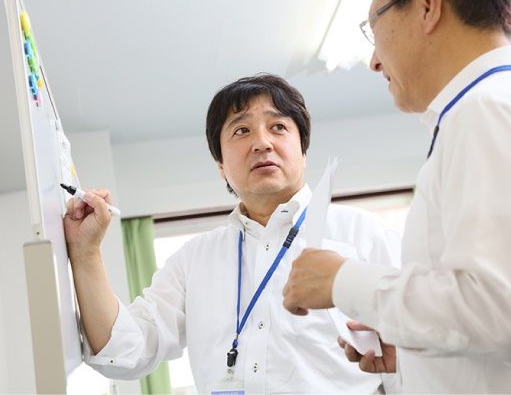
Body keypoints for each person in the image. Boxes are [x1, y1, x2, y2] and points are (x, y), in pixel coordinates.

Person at [282, 0, 511, 393]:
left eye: (374, 26)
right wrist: (419, 356)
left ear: (427, 4)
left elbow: (506, 314)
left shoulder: (489, 110)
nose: (374, 61)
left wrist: (342, 280)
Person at [64, 74, 401, 393]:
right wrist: (86, 253)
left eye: (278, 127)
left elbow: (410, 364)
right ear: (221, 167)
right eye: (241, 130)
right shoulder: (193, 260)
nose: (262, 143)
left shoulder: (364, 235)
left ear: (303, 153)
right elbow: (123, 351)